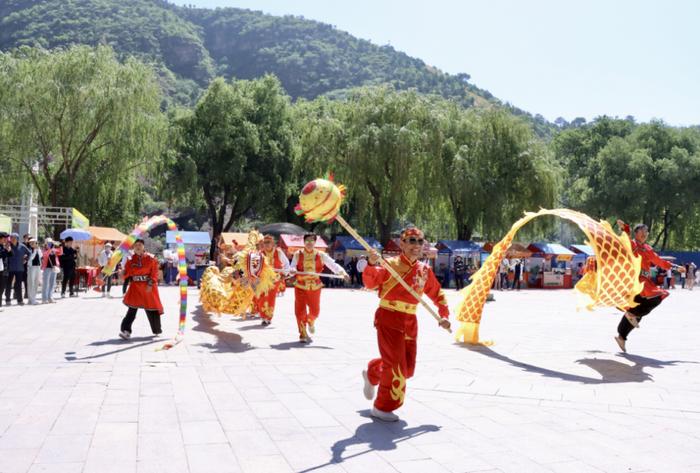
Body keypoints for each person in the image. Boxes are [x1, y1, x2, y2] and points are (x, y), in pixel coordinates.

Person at [361, 226, 451, 422]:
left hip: (410, 321)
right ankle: (382, 407)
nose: (416, 245)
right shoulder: (389, 264)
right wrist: (371, 263)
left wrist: (444, 314)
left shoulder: (424, 270)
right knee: (397, 367)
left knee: (407, 369)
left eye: (420, 241)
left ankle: (373, 372)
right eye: (411, 241)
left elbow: (437, 293)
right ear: (402, 244)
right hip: (389, 317)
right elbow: (370, 283)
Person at [614, 220, 681, 352]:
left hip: (646, 280)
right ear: (636, 232)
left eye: (647, 232)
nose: (645, 234)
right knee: (656, 296)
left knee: (636, 313)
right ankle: (630, 317)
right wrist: (626, 228)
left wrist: (675, 267)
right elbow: (625, 240)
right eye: (642, 231)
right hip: (635, 280)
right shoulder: (632, 244)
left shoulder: (647, 248)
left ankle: (621, 337)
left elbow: (659, 261)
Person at [289, 233, 349, 343]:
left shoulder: (321, 255)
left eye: (312, 241)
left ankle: (310, 321)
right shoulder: (298, 254)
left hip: (315, 286)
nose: (309, 243)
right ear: (304, 242)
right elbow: (292, 265)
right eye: (307, 240)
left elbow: (333, 264)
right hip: (300, 285)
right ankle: (302, 333)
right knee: (300, 311)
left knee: (315, 311)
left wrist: (342, 273)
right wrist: (292, 270)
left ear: (315, 242)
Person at [119, 239, 163, 339]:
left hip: (148, 286)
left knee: (152, 308)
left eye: (140, 245)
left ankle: (156, 330)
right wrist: (122, 273)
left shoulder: (151, 258)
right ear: (133, 248)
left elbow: (155, 273)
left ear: (143, 247)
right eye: (135, 245)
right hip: (135, 287)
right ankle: (126, 331)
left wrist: (150, 284)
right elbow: (127, 273)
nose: (137, 247)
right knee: (132, 309)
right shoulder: (130, 260)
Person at [253, 234, 290, 326]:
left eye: (268, 242)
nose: (266, 244)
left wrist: (284, 274)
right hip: (262, 280)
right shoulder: (260, 253)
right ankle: (263, 315)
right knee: (261, 297)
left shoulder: (279, 252)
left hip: (274, 280)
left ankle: (268, 317)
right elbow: (255, 266)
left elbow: (286, 264)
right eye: (265, 243)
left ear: (273, 243)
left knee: (271, 298)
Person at [5, 233, 30, 306]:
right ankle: (7, 300)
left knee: (18, 285)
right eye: (11, 238)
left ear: (17, 239)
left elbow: (29, 253)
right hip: (10, 268)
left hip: (20, 268)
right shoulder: (7, 246)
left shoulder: (22, 246)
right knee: (8, 285)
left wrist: (26, 259)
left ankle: (20, 300)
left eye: (14, 238)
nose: (13, 239)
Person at [41, 238, 60, 304]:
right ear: (46, 243)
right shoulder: (44, 249)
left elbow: (60, 252)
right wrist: (49, 248)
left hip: (54, 268)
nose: (50, 244)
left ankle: (50, 297)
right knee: (46, 284)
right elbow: (45, 255)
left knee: (52, 283)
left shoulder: (54, 249)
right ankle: (44, 298)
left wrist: (59, 245)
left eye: (51, 242)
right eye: (48, 242)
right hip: (47, 268)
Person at [26, 238, 42, 305]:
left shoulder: (37, 249)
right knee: (31, 283)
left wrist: (38, 250)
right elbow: (31, 258)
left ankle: (33, 298)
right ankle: (31, 299)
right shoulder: (29, 250)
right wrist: (35, 250)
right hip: (31, 267)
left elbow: (41, 256)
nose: (33, 244)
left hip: (38, 267)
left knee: (35, 283)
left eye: (34, 242)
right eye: (31, 243)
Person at [0, 232, 12, 310]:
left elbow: (10, 255)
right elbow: (1, 254)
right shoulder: (2, 247)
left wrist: (9, 250)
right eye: (4, 238)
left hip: (4, 270)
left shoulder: (3, 246)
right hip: (1, 270)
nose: (6, 240)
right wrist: (5, 250)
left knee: (1, 288)